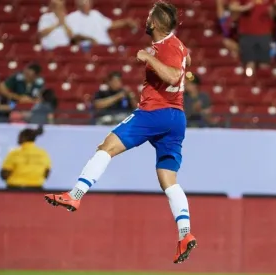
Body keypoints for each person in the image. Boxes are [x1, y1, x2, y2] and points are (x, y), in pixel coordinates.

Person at [44, 1, 197, 264]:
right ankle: (184, 233)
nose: (146, 20)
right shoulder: (179, 46)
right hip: (177, 118)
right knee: (167, 179)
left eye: (150, 17)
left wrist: (148, 57)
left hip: (155, 113)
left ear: (157, 24)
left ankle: (75, 195)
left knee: (107, 147)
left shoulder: (164, 47)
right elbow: (186, 62)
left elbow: (172, 76)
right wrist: (180, 67)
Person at [67, 0, 138, 48]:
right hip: (88, 46)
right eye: (84, 2)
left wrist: (126, 22)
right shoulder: (72, 17)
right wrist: (90, 39)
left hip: (105, 45)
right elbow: (73, 36)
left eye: (88, 2)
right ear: (78, 4)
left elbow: (110, 24)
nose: (87, 4)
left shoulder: (95, 14)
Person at [230, 0, 274, 75]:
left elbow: (273, 14)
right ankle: (249, 83)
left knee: (264, 64)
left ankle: (263, 84)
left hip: (264, 34)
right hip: (247, 34)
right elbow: (232, 7)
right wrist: (244, 8)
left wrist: (271, 11)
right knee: (249, 64)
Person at [1, 126, 51, 190]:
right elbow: (46, 174)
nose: (18, 138)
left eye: (19, 136)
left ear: (24, 138)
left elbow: (4, 175)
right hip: (37, 189)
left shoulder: (14, 153)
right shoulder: (43, 153)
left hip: (15, 189)